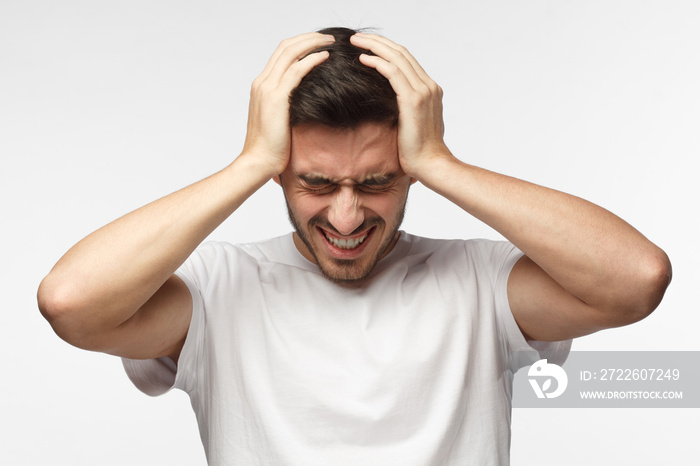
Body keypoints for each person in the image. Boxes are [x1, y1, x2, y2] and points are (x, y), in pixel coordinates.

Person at [37, 27, 671, 465]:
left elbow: (637, 279)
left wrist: (441, 162)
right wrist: (250, 161)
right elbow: (70, 303)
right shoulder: (217, 287)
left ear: (409, 172)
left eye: (377, 183)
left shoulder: (478, 282)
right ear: (281, 171)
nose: (346, 216)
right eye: (316, 183)